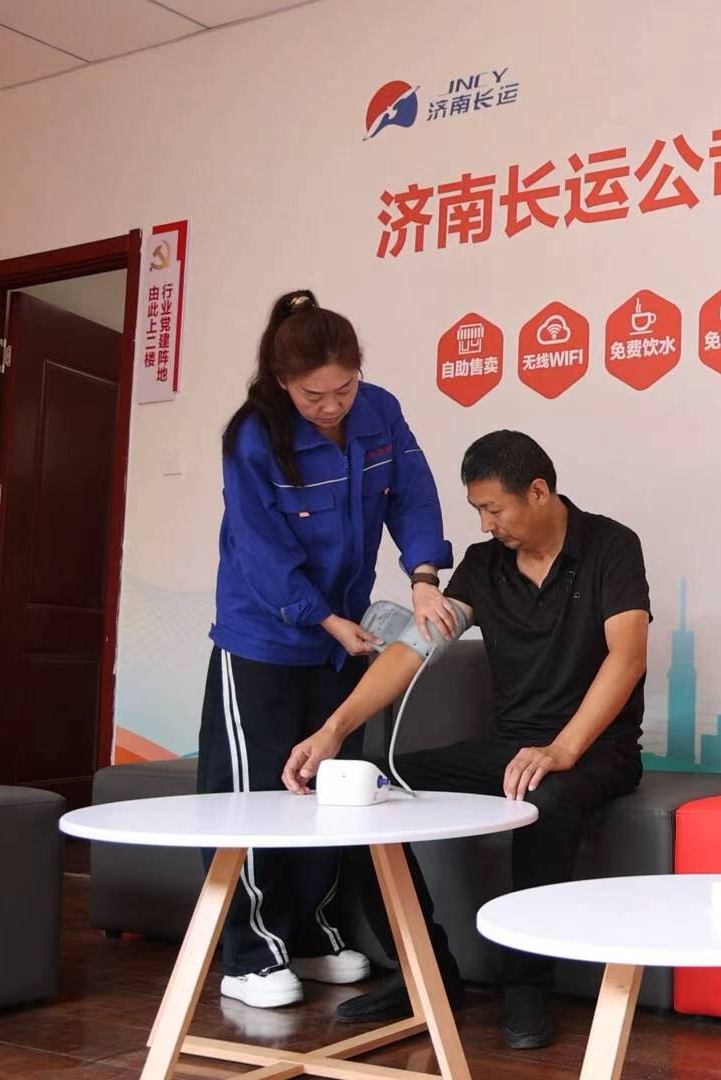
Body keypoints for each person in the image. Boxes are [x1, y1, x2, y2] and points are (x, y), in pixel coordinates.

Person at [280, 430, 650, 1050]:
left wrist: (562, 749)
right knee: (368, 791)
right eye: (477, 509)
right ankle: (424, 971)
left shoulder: (611, 546)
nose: (484, 524)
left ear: (538, 492)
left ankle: (526, 984)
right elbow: (411, 651)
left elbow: (627, 657)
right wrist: (332, 729)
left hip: (596, 748)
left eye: (493, 508)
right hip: (509, 744)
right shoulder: (484, 565)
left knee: (545, 797)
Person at [202, 289, 455, 1008]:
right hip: (265, 634)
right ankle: (252, 954)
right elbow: (260, 548)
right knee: (255, 794)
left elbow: (413, 496)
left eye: (344, 388)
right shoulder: (254, 436)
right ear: (283, 381)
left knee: (325, 785)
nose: (332, 405)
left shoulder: (380, 412)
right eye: (315, 395)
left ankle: (311, 935)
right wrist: (322, 618)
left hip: (343, 633)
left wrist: (424, 578)